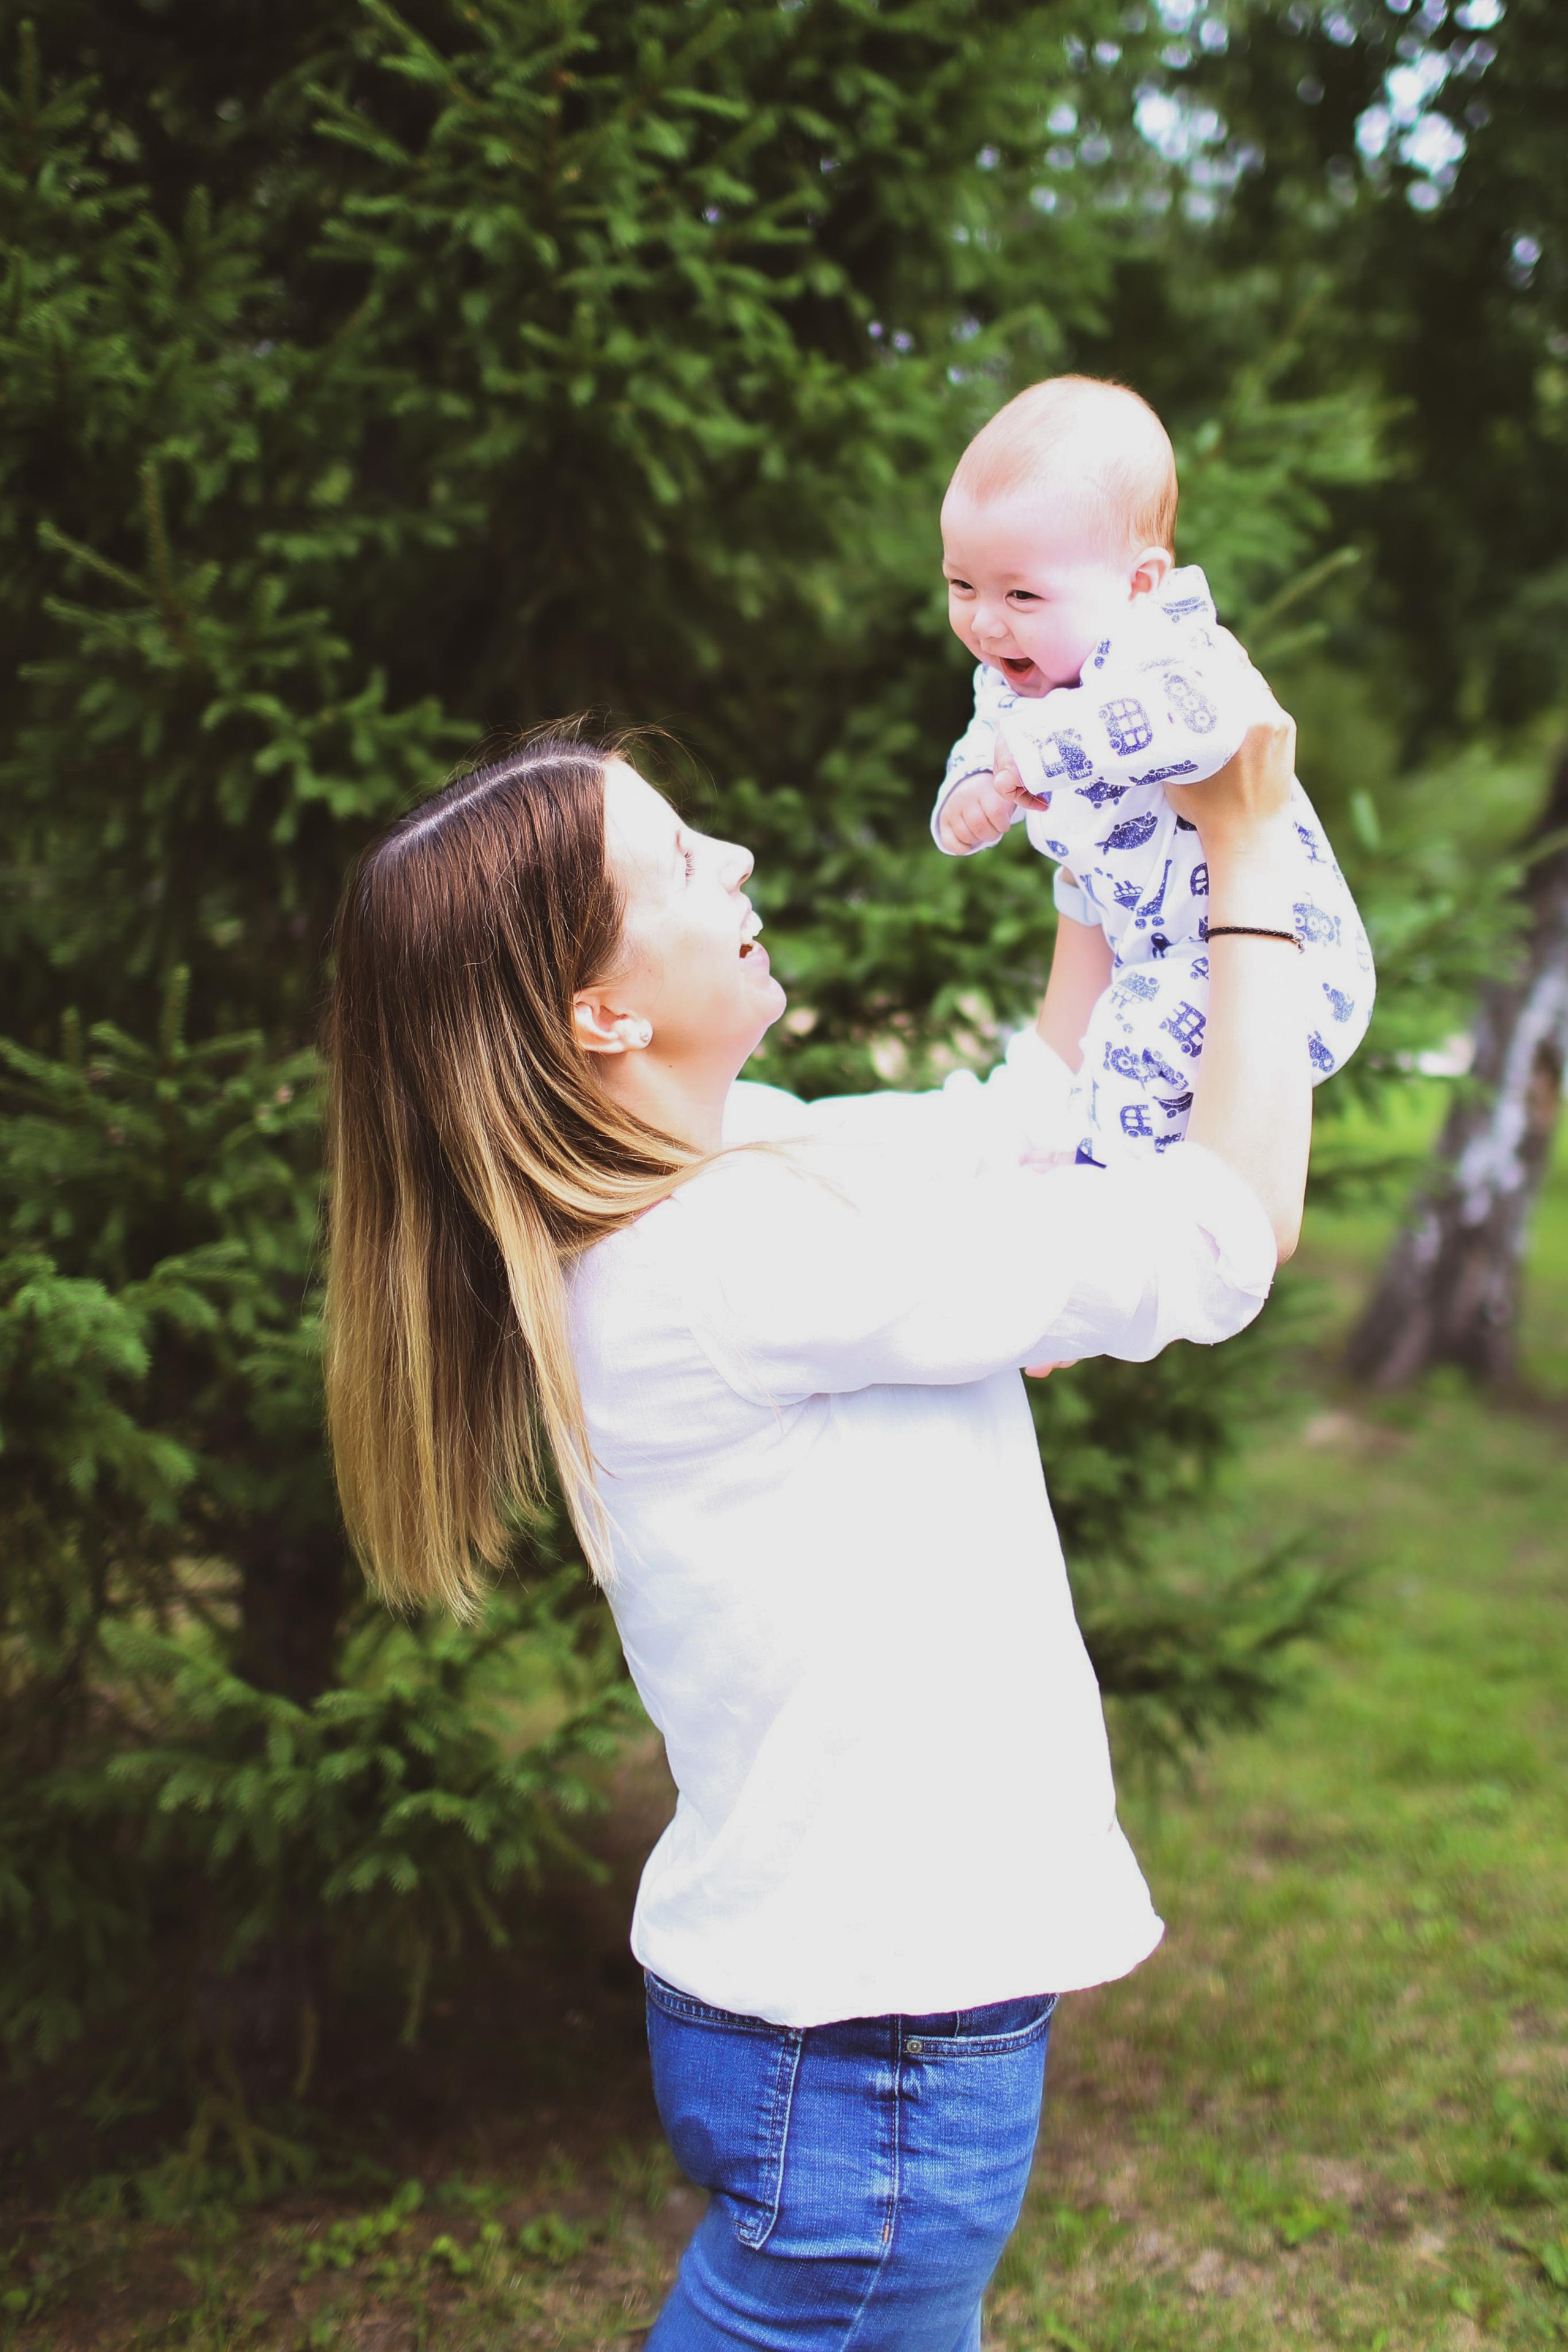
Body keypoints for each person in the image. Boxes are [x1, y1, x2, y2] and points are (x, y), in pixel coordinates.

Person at [321, 699, 1313, 2350]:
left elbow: (1016, 1127)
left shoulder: (733, 1168)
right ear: (599, 1014)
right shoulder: (715, 1259)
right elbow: (1225, 1233)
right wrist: (1248, 849)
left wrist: (1089, 820)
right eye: (679, 865)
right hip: (876, 2053)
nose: (739, 860)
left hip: (853, 2024)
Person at [933, 374, 1373, 1164]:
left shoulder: (1171, 649)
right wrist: (970, 793)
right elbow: (984, 738)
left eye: (1022, 594)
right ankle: (1103, 1181)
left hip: (1283, 963)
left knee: (1134, 1031)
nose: (984, 620)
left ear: (1138, 584)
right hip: (1163, 953)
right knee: (1105, 1056)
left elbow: (1205, 722)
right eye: (961, 584)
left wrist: (1048, 750)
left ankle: (1115, 1210)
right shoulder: (1015, 675)